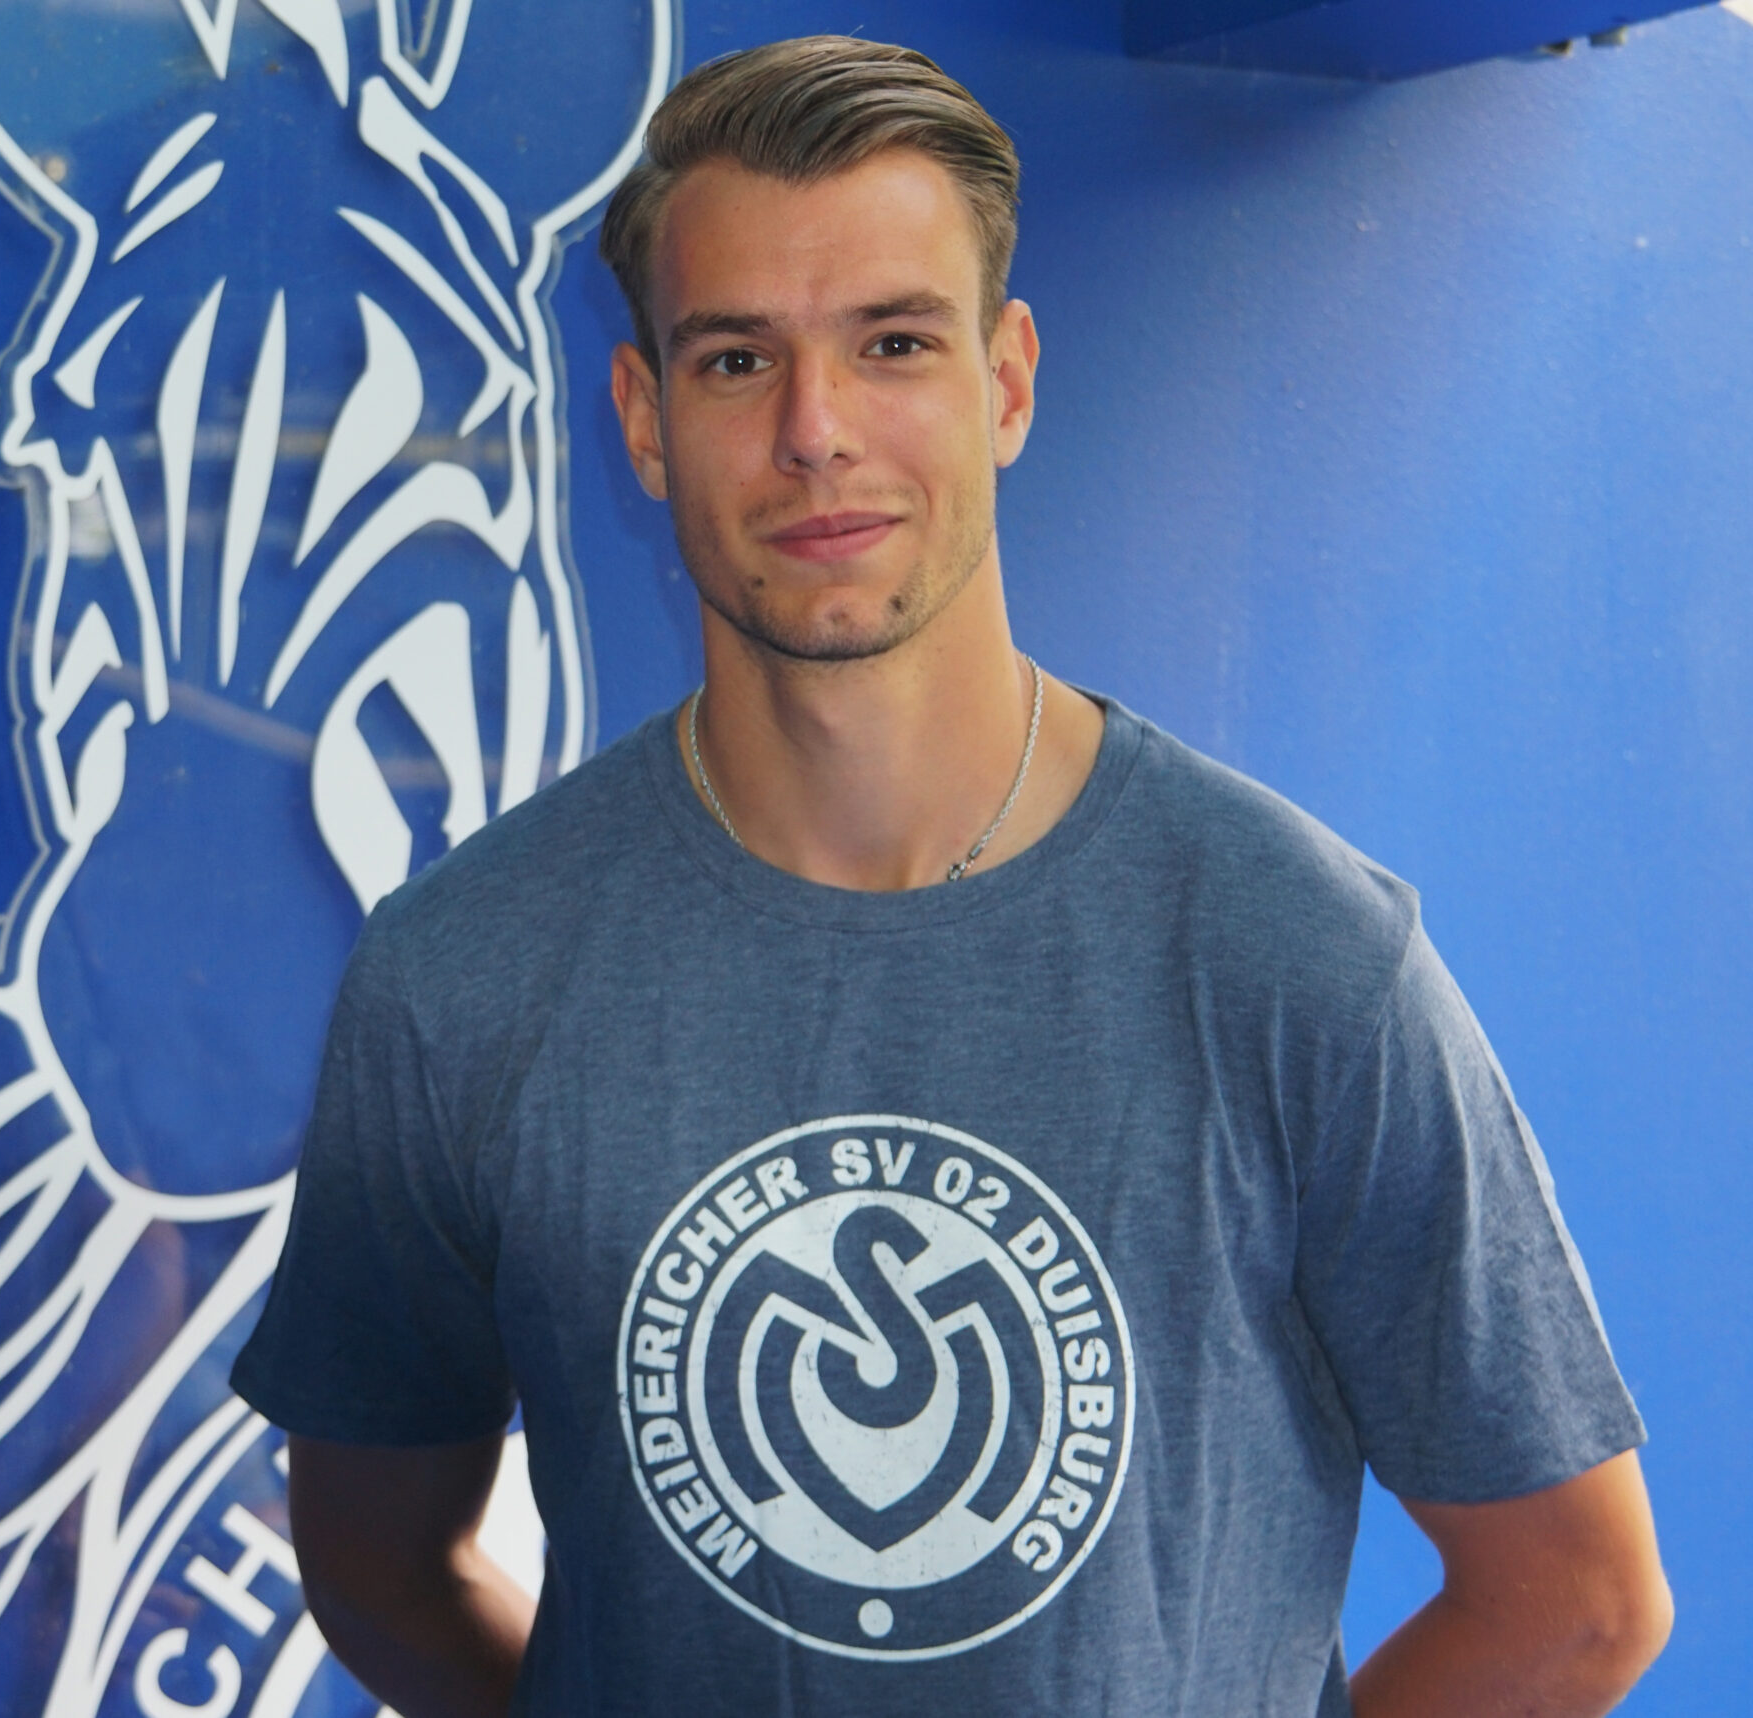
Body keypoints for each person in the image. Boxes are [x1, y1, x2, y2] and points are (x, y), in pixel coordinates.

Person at [229, 35, 1670, 1717]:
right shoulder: (463, 976)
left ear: (1008, 383)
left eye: (894, 344)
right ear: (641, 419)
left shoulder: (1296, 956)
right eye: (735, 360)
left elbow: (1576, 1604)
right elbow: (379, 1567)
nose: (816, 432)